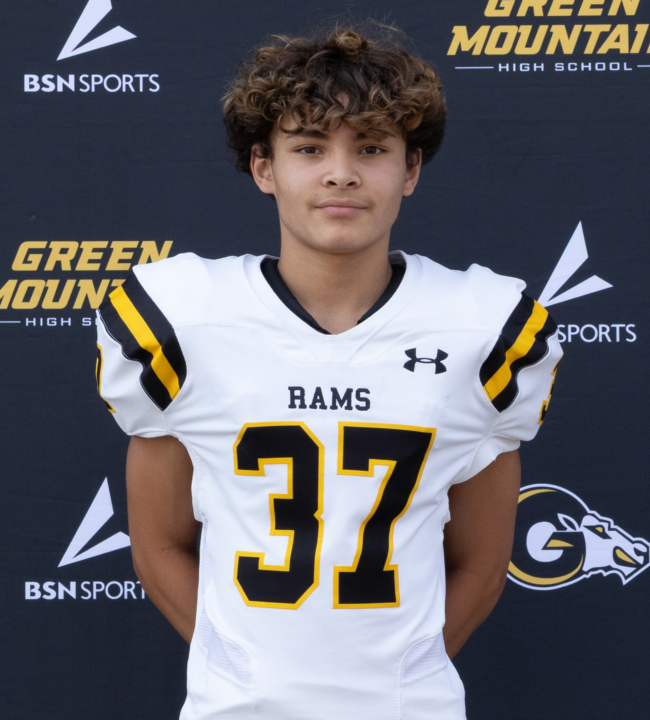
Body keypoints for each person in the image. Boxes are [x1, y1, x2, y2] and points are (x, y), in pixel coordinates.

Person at [95, 24, 562, 720]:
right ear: (264, 167)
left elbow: (482, 563)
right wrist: (243, 672)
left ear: (410, 170)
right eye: (309, 147)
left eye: (371, 148)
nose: (341, 173)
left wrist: (400, 679)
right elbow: (159, 544)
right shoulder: (182, 320)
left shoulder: (482, 327)